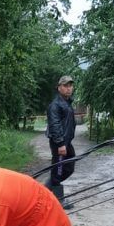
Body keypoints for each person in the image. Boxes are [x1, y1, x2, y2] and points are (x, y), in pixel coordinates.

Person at [45, 75, 77, 209]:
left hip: (66, 142)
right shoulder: (55, 105)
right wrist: (60, 144)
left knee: (69, 167)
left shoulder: (67, 103)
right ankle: (58, 200)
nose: (68, 88)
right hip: (60, 143)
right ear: (59, 88)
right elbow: (55, 124)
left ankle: (46, 189)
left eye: (70, 85)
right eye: (65, 86)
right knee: (58, 169)